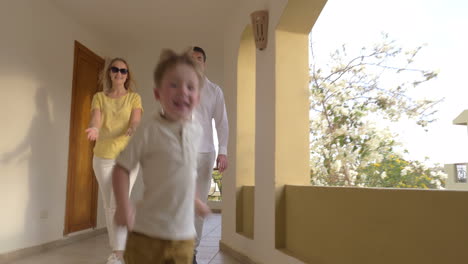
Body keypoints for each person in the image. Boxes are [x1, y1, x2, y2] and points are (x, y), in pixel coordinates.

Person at [112, 49, 211, 264]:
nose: (183, 91)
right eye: (173, 84)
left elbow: (188, 171)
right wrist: (123, 205)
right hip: (148, 234)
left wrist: (195, 200)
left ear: (198, 97)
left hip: (184, 236)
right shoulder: (149, 129)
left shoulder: (196, 131)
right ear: (158, 94)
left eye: (190, 87)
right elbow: (121, 168)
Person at [85, 57, 143, 264]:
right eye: (115, 70)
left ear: (127, 75)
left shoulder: (134, 98)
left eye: (123, 71)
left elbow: (136, 120)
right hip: (102, 157)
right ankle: (119, 251)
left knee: (117, 202)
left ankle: (118, 254)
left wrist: (132, 129)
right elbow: (96, 118)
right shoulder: (99, 97)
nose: (119, 74)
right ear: (109, 73)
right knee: (109, 205)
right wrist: (94, 128)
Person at [191, 46, 229, 264]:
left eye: (199, 59)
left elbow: (222, 124)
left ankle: (191, 254)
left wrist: (223, 152)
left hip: (205, 154)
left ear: (204, 64)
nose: (195, 62)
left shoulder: (215, 91)